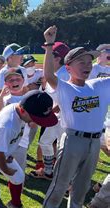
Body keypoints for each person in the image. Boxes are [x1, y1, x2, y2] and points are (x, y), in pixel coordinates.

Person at [35, 26, 110, 208]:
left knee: (82, 186)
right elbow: (48, 75)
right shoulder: (66, 88)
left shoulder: (101, 85)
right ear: (68, 67)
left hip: (95, 141)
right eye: (82, 62)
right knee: (60, 184)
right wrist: (49, 45)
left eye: (89, 62)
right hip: (72, 140)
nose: (87, 65)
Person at [30, 42, 70, 179]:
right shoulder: (55, 72)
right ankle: (49, 171)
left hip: (62, 118)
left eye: (48, 53)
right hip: (55, 116)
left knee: (61, 147)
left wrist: (50, 112)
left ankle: (64, 178)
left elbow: (67, 100)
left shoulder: (64, 74)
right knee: (46, 142)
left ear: (58, 58)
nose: (45, 56)